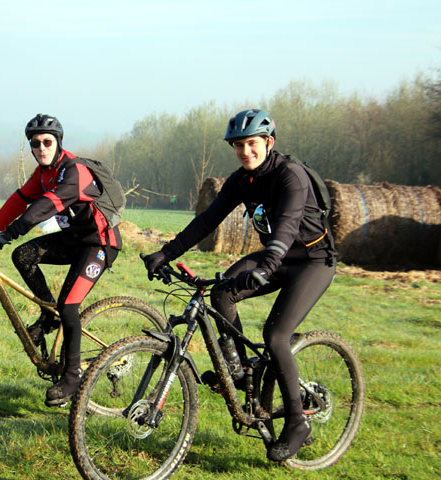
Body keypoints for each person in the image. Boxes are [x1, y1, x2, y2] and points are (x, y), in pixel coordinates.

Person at [143, 109, 336, 462]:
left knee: (276, 335)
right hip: (275, 258)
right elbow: (207, 220)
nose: (245, 151)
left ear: (268, 142)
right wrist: (166, 252)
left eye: (252, 144)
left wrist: (266, 267)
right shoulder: (240, 181)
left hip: (312, 261)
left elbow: (288, 228)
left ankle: (297, 423)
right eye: (238, 146)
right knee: (220, 292)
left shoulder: (290, 176)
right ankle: (240, 371)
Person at [0, 113, 122, 407]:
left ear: (58, 142)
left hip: (99, 243)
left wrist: (13, 231)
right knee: (23, 255)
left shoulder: (74, 171)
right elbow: (19, 199)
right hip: (73, 241)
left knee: (69, 304)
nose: (41, 148)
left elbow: (47, 205)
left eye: (47, 142)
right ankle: (49, 316)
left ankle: (72, 376)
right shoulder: (43, 174)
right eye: (35, 143)